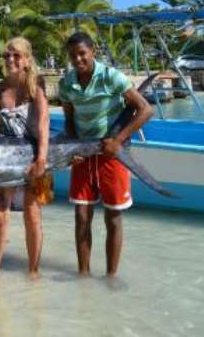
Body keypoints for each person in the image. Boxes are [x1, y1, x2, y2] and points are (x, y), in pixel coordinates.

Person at [58, 32, 152, 277]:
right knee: (81, 217)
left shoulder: (112, 77)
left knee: (113, 217)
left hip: (113, 154)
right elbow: (69, 121)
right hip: (83, 154)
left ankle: (111, 276)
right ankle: (83, 275)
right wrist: (71, 148)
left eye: (82, 53)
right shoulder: (66, 83)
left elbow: (145, 110)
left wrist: (118, 140)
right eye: (73, 55)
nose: (78, 59)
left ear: (93, 52)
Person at [0, 37, 50, 281]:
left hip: (35, 157)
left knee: (32, 213)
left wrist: (42, 159)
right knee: (0, 212)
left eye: (16, 55)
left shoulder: (37, 86)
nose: (11, 60)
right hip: (5, 160)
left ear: (27, 59)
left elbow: (43, 123)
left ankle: (33, 270)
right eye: (6, 56)